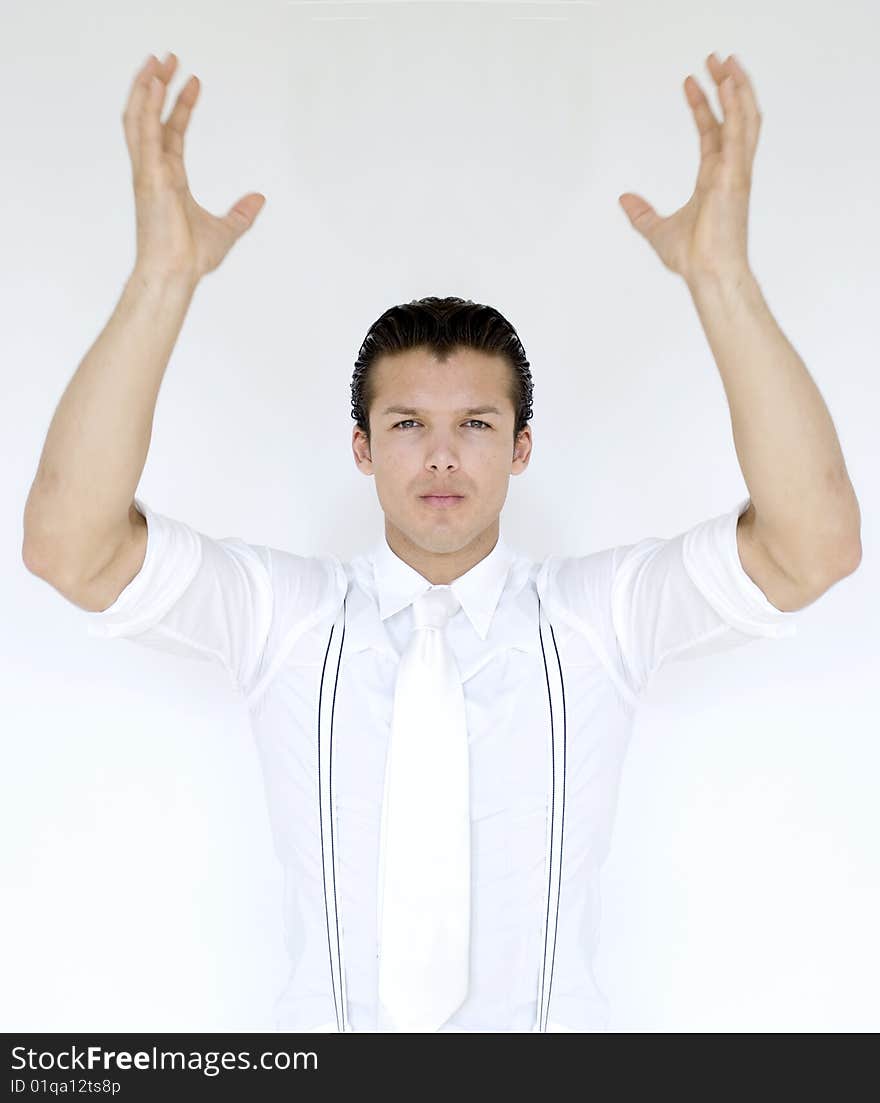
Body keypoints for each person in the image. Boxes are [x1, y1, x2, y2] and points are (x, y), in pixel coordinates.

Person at [23, 52, 861, 1033]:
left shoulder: (597, 620)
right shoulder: (283, 619)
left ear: (521, 447)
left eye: (474, 423)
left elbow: (814, 546)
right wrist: (163, 277)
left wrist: (719, 278)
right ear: (361, 447)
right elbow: (69, 545)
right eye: (407, 423)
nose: (441, 457)